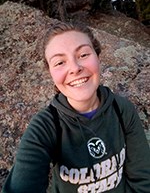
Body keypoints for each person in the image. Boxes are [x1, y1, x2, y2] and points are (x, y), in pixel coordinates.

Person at [2, 21, 150, 193]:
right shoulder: (45, 127)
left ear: (98, 57)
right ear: (50, 72)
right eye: (59, 62)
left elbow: (143, 179)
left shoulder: (122, 109)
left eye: (83, 54)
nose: (74, 68)